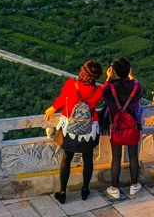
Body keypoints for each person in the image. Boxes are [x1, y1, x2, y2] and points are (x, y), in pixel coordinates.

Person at [44, 60, 105, 204]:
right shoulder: (99, 91)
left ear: (83, 71)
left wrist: (53, 108)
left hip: (70, 127)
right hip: (89, 128)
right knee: (88, 159)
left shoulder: (71, 84)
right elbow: (107, 89)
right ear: (97, 76)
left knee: (66, 159)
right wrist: (109, 78)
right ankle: (85, 190)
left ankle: (62, 192)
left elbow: (62, 98)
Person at [101, 57, 144, 200]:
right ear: (129, 70)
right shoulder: (136, 87)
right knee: (133, 156)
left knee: (116, 157)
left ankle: (115, 188)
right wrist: (131, 76)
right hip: (132, 127)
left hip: (116, 128)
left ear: (114, 71)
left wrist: (108, 78)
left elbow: (103, 93)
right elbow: (140, 89)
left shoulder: (110, 88)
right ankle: (134, 185)